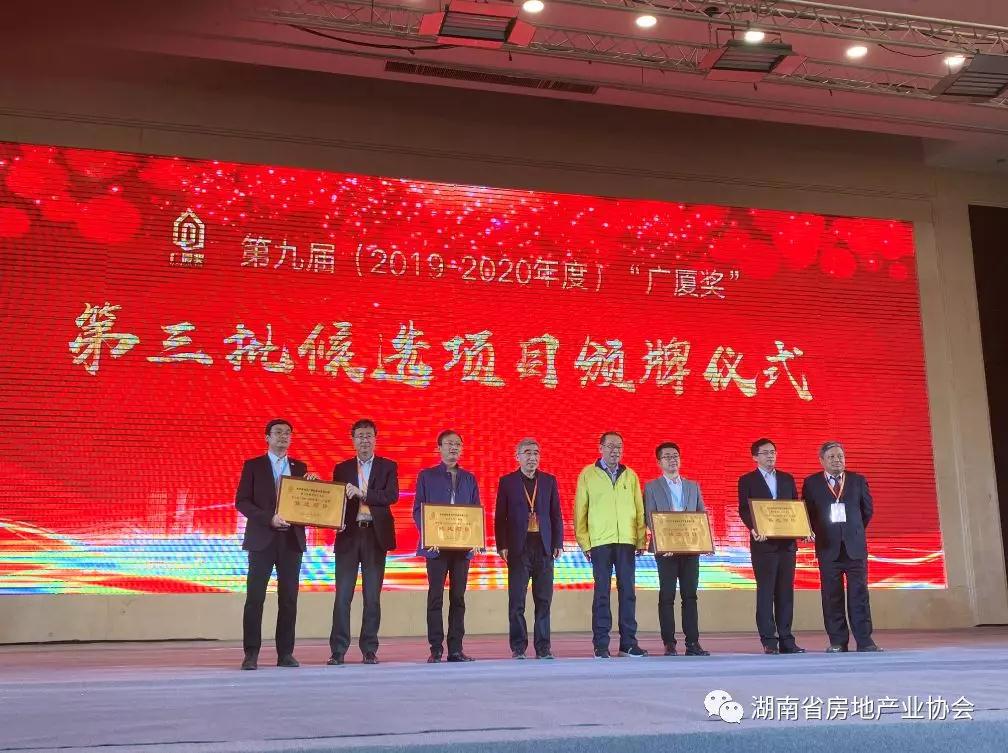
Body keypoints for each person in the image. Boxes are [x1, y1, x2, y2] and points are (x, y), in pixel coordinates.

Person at [235, 418, 319, 670]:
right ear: (267, 437)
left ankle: (286, 654)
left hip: (291, 541)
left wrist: (314, 487)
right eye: (278, 432)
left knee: (289, 599)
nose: (283, 436)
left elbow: (307, 503)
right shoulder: (253, 466)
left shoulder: (299, 467)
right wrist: (268, 518)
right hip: (262, 539)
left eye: (287, 433)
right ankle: (251, 654)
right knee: (255, 598)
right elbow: (242, 502)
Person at [328, 419, 399, 666]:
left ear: (375, 439)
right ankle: (338, 651)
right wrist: (333, 519)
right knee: (342, 596)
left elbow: (391, 496)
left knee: (372, 597)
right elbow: (336, 500)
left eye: (369, 436)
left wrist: (363, 493)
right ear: (353, 440)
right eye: (360, 436)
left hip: (375, 536)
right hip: (348, 535)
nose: (365, 440)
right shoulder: (342, 468)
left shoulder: (388, 466)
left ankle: (369, 649)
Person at [802, 441, 882, 653]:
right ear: (822, 461)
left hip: (855, 548)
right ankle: (838, 641)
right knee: (831, 596)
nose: (837, 460)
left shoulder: (857, 480)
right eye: (831, 457)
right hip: (828, 547)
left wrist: (851, 531)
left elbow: (867, 511)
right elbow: (808, 513)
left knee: (859, 595)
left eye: (840, 456)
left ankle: (865, 641)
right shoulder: (811, 483)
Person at [574, 431, 648, 658]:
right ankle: (601, 645)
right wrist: (585, 542)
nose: (615, 451)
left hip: (626, 541)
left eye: (619, 447)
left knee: (628, 593)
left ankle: (628, 644)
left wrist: (640, 538)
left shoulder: (630, 475)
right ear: (601, 448)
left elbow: (639, 510)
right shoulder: (588, 474)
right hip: (600, 542)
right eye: (611, 446)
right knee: (602, 594)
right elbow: (580, 510)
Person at [413, 430, 481, 663]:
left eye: (457, 444)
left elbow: (475, 512)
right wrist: (428, 536)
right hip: (436, 547)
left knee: (458, 598)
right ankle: (436, 649)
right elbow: (418, 510)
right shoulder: (426, 476)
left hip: (462, 548)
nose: (453, 448)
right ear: (439, 448)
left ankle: (455, 649)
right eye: (449, 444)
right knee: (435, 597)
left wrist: (475, 540)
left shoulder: (469, 478)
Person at [494, 437, 564, 660]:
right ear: (517, 457)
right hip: (518, 547)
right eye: (527, 453)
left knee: (544, 600)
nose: (532, 457)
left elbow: (556, 514)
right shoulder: (507, 482)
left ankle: (543, 648)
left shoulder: (549, 481)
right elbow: (500, 517)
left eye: (536, 453)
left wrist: (558, 543)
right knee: (517, 601)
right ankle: (518, 647)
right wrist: (502, 545)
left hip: (544, 547)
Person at [738, 438, 805, 655]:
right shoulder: (747, 480)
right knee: (766, 592)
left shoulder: (787, 478)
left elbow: (795, 508)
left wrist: (803, 529)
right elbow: (744, 508)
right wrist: (753, 528)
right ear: (755, 457)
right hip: (763, 544)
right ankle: (769, 640)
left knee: (785, 593)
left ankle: (787, 639)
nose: (770, 456)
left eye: (773, 452)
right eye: (765, 453)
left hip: (787, 545)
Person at [643, 442, 710, 657]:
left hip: (690, 550)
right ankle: (669, 643)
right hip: (666, 551)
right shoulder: (651, 487)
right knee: (667, 596)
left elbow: (700, 515)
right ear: (659, 462)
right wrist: (664, 543)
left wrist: (704, 542)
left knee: (690, 596)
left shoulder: (693, 486)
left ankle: (693, 643)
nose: (672, 460)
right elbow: (649, 517)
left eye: (675, 456)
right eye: (667, 457)